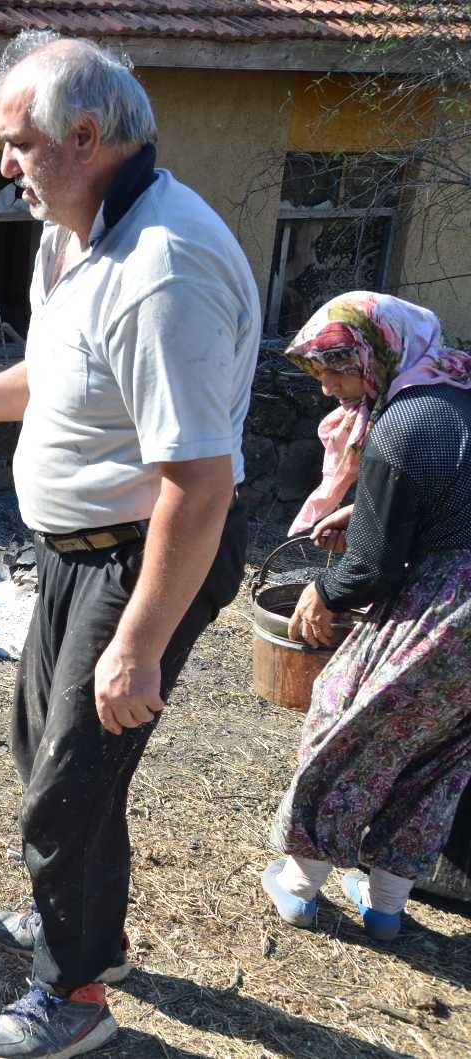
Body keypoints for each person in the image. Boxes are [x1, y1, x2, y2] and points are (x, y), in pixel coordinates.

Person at [0, 31, 257, 1058]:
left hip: (145, 557)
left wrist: (137, 643)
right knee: (53, 757)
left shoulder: (162, 270)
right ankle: (94, 933)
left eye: (17, 143)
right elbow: (54, 378)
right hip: (72, 550)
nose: (3, 164)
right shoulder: (72, 234)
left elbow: (200, 481)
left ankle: (71, 996)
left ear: (85, 137)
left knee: (67, 785)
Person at [260, 292, 471, 942]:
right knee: (433, 759)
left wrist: (323, 591)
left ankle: (297, 888)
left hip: (444, 615)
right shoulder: (452, 394)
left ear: (378, 355)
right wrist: (371, 508)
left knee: (345, 730)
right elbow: (446, 495)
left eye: (337, 368)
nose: (327, 386)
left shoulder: (400, 428)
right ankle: (385, 905)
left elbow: (373, 569)